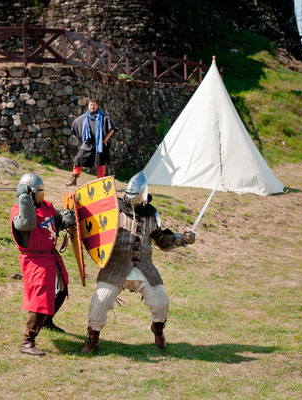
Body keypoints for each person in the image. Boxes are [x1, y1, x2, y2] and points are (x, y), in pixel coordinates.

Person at [80, 171, 196, 354]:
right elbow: (94, 227)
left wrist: (181, 239)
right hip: (115, 266)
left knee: (161, 302)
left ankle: (157, 329)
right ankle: (93, 339)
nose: (130, 198)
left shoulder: (151, 214)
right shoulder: (113, 209)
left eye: (135, 195)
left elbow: (161, 241)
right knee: (99, 301)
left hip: (144, 266)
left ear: (143, 195)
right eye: (129, 194)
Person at [10, 173, 75, 356]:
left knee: (62, 289)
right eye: (37, 191)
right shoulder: (18, 212)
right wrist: (24, 200)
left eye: (42, 190)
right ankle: (27, 341)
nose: (41, 195)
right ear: (28, 193)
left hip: (50, 257)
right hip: (34, 260)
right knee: (40, 299)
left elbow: (55, 222)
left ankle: (47, 321)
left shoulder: (46, 206)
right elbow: (28, 224)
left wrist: (64, 219)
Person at [66, 99, 118, 186]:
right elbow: (75, 124)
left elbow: (113, 129)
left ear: (97, 106)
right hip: (88, 143)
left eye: (94, 105)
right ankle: (74, 179)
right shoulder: (84, 117)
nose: (92, 107)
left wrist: (106, 139)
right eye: (91, 105)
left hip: (99, 145)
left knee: (100, 164)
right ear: (88, 106)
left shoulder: (103, 117)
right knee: (78, 159)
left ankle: (100, 183)